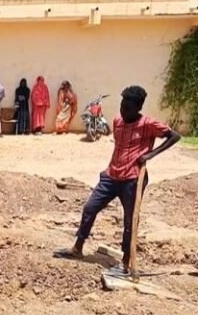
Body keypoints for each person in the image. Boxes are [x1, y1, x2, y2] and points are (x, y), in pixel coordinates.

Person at [53, 86, 182, 274]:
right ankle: (77, 248)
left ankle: (126, 262)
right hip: (111, 176)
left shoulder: (148, 124)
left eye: (128, 108)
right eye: (122, 106)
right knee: (90, 208)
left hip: (132, 179)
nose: (123, 111)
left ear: (138, 108)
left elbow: (174, 136)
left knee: (130, 221)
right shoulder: (118, 122)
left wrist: (150, 154)